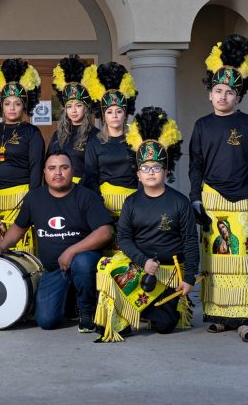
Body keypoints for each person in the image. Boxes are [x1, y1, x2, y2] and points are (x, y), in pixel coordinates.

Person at [189, 34, 248, 343]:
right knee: (213, 263)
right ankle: (220, 317)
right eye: (218, 91)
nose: (223, 97)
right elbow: (195, 165)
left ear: (239, 97)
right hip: (210, 199)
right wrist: (194, 198)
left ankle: (245, 321)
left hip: (241, 201)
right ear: (210, 94)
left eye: (230, 93)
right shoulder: (201, 125)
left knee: (240, 262)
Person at [94, 107, 199, 342]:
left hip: (168, 275)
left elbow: (191, 239)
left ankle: (142, 309)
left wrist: (189, 276)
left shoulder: (180, 202)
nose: (150, 172)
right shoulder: (131, 203)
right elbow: (124, 238)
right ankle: (125, 316)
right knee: (106, 266)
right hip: (139, 268)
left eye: (156, 167)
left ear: (166, 170)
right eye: (145, 168)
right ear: (138, 174)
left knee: (164, 326)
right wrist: (143, 262)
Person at [0, 150, 113, 332]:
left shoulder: (86, 196)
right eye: (52, 168)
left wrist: (71, 251)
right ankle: (69, 302)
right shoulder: (35, 198)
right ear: (44, 172)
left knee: (82, 263)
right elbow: (19, 227)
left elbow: (106, 232)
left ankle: (87, 312)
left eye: (64, 167)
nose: (58, 173)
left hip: (83, 264)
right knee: (46, 321)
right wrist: (1, 246)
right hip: (54, 269)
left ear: (72, 170)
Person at [0, 58, 45, 253]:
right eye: (7, 103)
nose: (12, 107)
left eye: (17, 103)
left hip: (20, 199)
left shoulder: (31, 132)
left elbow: (36, 168)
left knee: (20, 252)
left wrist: (31, 200)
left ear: (24, 106)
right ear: (1, 105)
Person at [82, 62, 139, 218]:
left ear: (125, 114)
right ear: (104, 116)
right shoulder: (95, 142)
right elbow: (91, 175)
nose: (114, 115)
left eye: (119, 111)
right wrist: (98, 203)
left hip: (134, 202)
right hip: (105, 203)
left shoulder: (136, 141)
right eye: (109, 112)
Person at [48, 55, 100, 182]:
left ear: (86, 107)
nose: (74, 110)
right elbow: (48, 165)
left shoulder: (95, 135)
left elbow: (95, 172)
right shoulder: (57, 136)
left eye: (78, 105)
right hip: (58, 188)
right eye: (69, 106)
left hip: (84, 191)